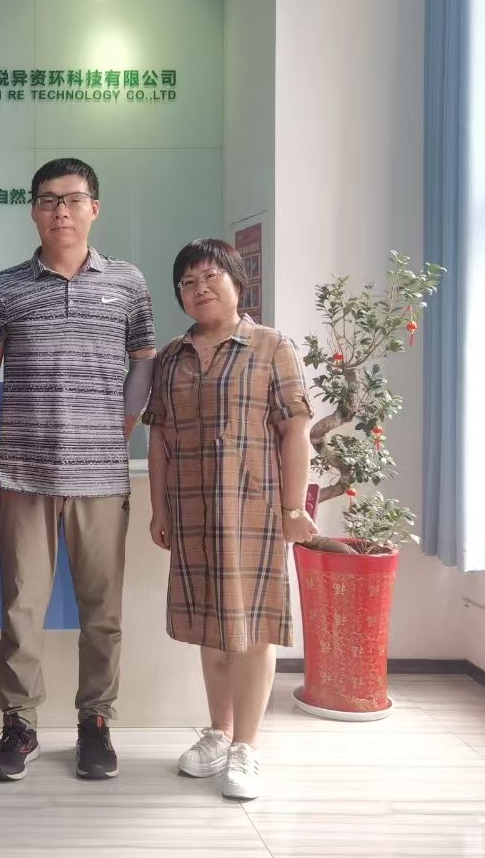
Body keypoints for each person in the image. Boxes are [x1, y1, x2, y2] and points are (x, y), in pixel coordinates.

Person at [0, 157, 156, 781]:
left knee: (101, 612)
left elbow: (143, 360)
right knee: (20, 607)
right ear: (33, 210)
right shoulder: (6, 287)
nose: (61, 211)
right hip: (23, 472)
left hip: (102, 476)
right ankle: (19, 724)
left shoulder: (127, 282)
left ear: (94, 208)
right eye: (49, 200)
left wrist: (121, 427)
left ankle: (95, 722)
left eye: (73, 199)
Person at [145, 238, 316, 801]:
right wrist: (160, 508)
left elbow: (296, 430)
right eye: (187, 282)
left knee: (251, 629)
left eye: (210, 277)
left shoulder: (271, 346)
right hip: (192, 508)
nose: (200, 289)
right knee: (209, 627)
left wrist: (293, 508)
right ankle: (218, 733)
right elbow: (160, 438)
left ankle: (247, 745)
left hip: (253, 509)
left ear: (237, 283)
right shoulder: (171, 357)